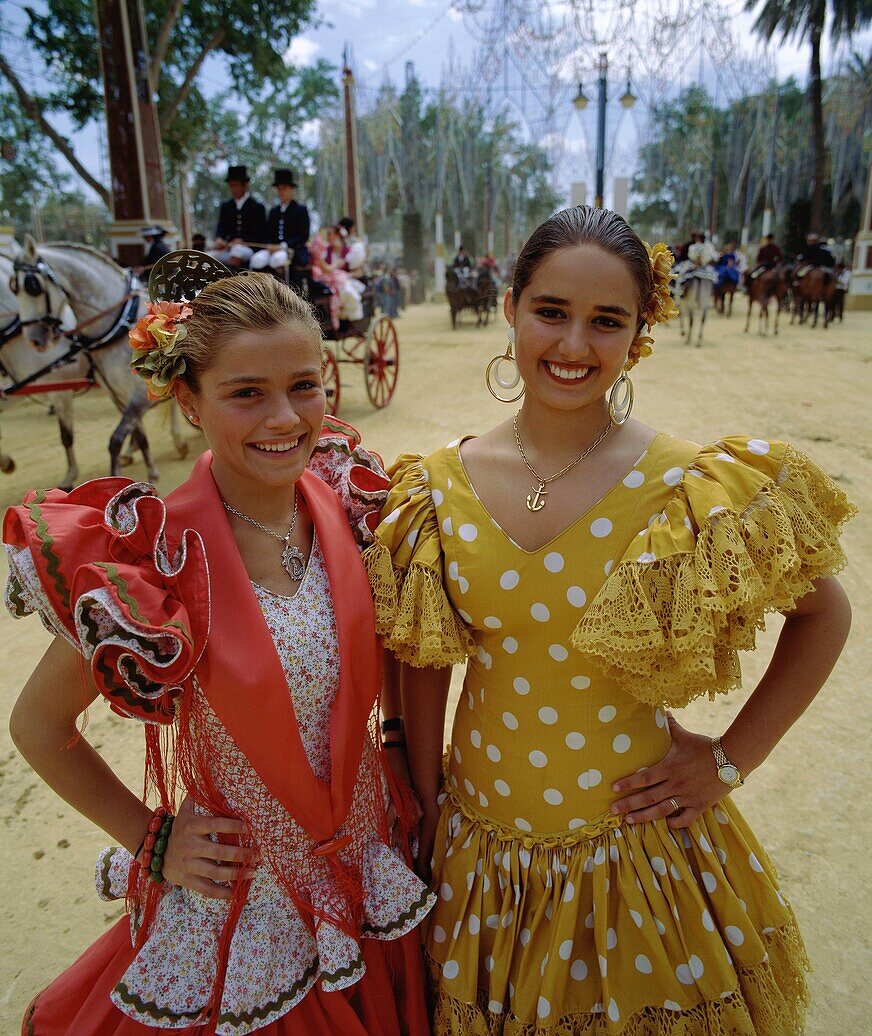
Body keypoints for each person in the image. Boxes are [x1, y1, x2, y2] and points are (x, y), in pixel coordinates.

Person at [364, 205, 854, 1034]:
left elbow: (825, 615)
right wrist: (426, 803)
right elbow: (424, 658)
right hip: (479, 854)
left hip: (635, 855)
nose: (573, 346)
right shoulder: (436, 488)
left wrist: (730, 761)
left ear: (640, 331)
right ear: (510, 305)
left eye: (607, 321)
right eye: (551, 312)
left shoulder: (687, 487)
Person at [6, 267, 434, 1033]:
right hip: (247, 907)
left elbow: (396, 645)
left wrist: (395, 741)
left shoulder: (350, 502)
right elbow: (38, 727)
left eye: (305, 385)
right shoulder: (153, 557)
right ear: (188, 400)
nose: (284, 417)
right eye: (245, 393)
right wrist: (151, 838)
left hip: (371, 864)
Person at [250, 169, 310, 275]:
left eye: (284, 188)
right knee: (256, 259)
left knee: (277, 259)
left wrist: (283, 246)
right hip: (273, 249)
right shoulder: (274, 211)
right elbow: (268, 233)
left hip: (291, 250)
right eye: (279, 189)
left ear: (291, 189)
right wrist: (269, 245)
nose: (281, 192)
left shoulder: (300, 210)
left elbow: (303, 236)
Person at [209, 165, 267, 268]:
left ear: (245, 185)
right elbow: (221, 228)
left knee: (237, 253)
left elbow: (261, 234)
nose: (233, 189)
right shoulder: (226, 206)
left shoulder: (257, 207)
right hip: (229, 248)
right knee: (207, 259)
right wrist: (219, 239)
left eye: (236, 185)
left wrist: (243, 240)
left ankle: (233, 281)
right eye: (231, 186)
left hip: (249, 248)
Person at [310, 225, 365, 322]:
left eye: (332, 234)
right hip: (330, 278)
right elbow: (325, 268)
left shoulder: (348, 251)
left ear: (339, 237)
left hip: (348, 279)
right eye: (329, 235)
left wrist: (348, 274)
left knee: (345, 287)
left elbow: (358, 271)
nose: (330, 237)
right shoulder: (327, 250)